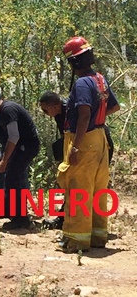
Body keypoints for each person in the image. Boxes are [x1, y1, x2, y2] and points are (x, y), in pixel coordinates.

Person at [56, 36, 120, 253]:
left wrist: (75, 147)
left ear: (74, 62)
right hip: (100, 138)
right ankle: (97, 235)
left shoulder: (83, 83)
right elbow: (114, 106)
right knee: (98, 189)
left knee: (78, 190)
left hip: (84, 140)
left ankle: (76, 240)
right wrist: (97, 119)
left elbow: (83, 115)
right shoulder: (100, 79)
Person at [39, 91, 115, 230]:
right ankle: (67, 218)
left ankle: (82, 222)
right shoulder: (59, 115)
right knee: (73, 183)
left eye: (45, 110)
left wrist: (75, 150)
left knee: (82, 184)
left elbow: (85, 123)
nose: (45, 113)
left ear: (55, 106)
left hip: (95, 146)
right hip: (82, 147)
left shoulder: (71, 109)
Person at [0, 89, 40, 230]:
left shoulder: (7, 110)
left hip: (26, 147)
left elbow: (13, 136)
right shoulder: (4, 110)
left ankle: (21, 218)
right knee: (11, 178)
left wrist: (4, 159)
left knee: (14, 178)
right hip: (21, 147)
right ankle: (12, 212)